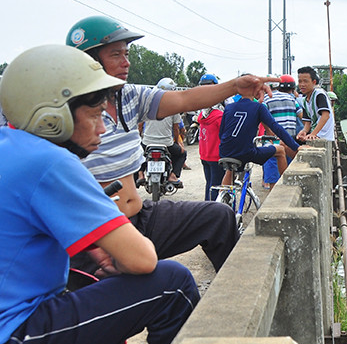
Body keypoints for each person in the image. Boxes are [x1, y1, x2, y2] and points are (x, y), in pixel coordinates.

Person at [0, 44, 199, 344]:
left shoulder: (11, 147)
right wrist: (121, 257)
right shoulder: (51, 162)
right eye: (95, 113)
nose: (104, 126)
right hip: (11, 340)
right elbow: (143, 260)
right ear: (52, 117)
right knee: (173, 284)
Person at [65, 15, 276, 272]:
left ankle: (243, 293)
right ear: (88, 61)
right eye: (116, 54)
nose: (126, 62)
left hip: (138, 216)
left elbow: (185, 99)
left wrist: (234, 85)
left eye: (127, 53)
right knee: (171, 281)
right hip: (98, 232)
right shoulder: (62, 114)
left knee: (218, 217)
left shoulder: (127, 96)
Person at [218, 95, 300, 188]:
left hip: (225, 151)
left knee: (230, 169)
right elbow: (276, 127)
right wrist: (296, 147)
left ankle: (222, 197)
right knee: (280, 150)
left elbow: (221, 134)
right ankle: (285, 187)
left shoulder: (229, 107)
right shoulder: (258, 107)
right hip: (246, 152)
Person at [140, 77, 186, 187]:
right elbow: (176, 129)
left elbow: (140, 125)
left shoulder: (148, 104)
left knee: (138, 153)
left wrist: (139, 138)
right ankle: (173, 175)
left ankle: (140, 174)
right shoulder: (174, 107)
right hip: (166, 143)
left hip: (147, 142)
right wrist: (177, 141)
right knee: (182, 154)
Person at [262, 75, 300, 189]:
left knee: (273, 173)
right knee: (287, 171)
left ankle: (273, 196)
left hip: (273, 140)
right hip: (290, 140)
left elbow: (262, 117)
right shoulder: (292, 99)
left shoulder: (266, 99)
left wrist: (269, 132)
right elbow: (301, 115)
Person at [195, 74, 225, 201]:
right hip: (216, 156)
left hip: (205, 155)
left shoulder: (202, 114)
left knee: (209, 184)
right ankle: (213, 211)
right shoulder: (219, 115)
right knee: (216, 185)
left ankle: (207, 207)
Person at [296, 66, 335, 141]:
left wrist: (313, 133)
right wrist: (304, 131)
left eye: (305, 81)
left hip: (324, 136)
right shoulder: (304, 100)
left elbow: (326, 115)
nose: (302, 84)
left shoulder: (319, 94)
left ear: (313, 82)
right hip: (316, 135)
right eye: (300, 81)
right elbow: (308, 122)